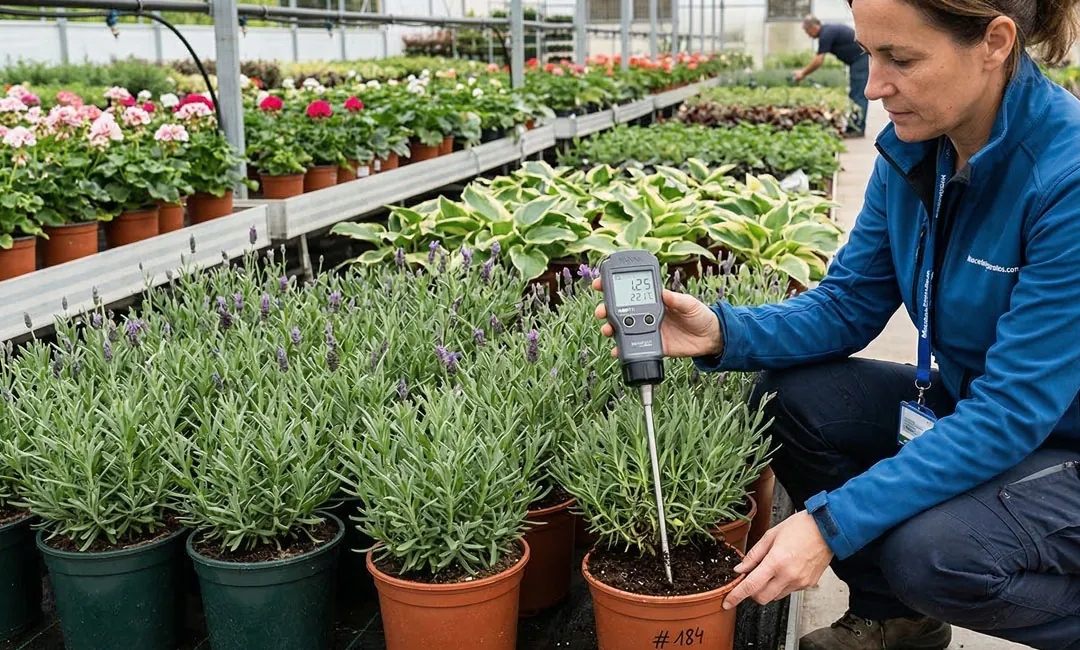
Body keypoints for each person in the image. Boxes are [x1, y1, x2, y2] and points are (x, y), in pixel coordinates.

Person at [593, 0, 1080, 648]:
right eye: (872, 53)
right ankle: (898, 619)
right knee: (789, 401)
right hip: (976, 403)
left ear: (994, 43)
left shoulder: (1064, 179)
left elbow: (1013, 411)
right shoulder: (915, 152)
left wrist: (829, 524)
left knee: (934, 554)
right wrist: (720, 329)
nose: (872, 84)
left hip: (1058, 438)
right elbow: (848, 303)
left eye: (900, 58)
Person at [796, 15, 870, 137]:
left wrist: (802, 73)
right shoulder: (827, 31)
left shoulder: (826, 33)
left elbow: (819, 60)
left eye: (807, 31)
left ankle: (857, 128)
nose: (808, 35)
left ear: (813, 27)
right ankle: (854, 127)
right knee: (855, 95)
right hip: (857, 60)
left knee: (858, 95)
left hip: (860, 60)